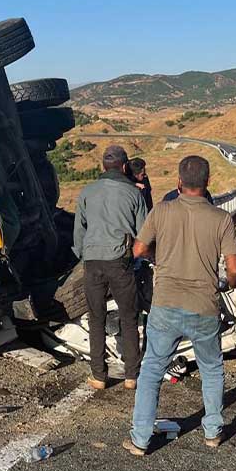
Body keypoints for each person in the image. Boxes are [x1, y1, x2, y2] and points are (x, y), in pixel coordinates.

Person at [124, 155, 236, 455]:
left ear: (178, 182)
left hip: (165, 305)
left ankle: (140, 439)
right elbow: (234, 268)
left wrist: (156, 258)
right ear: (208, 183)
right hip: (204, 305)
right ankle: (213, 431)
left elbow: (138, 249)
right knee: (212, 370)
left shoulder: (162, 211)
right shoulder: (221, 219)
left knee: (151, 371)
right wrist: (229, 283)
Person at [73, 145, 147, 390]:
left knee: (96, 318)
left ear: (103, 167)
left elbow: (79, 233)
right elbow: (143, 234)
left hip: (92, 262)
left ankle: (99, 376)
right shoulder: (133, 194)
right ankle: (131, 375)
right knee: (129, 317)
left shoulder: (86, 192)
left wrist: (84, 255)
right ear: (125, 167)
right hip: (120, 261)